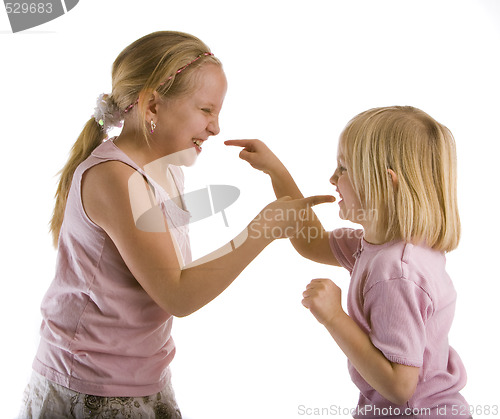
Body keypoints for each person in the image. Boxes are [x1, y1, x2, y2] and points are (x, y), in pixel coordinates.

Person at [19, 31, 334, 419]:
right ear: (152, 104)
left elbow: (173, 276)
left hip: (143, 375)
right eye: (206, 110)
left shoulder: (165, 170)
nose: (216, 128)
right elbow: (178, 294)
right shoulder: (116, 179)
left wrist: (276, 174)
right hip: (91, 385)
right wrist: (262, 230)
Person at [226, 106, 470, 418]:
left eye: (343, 169)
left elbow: (399, 387)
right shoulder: (382, 247)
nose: (332, 178)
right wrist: (277, 171)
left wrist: (334, 317)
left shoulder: (396, 271)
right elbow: (311, 242)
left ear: (383, 182)